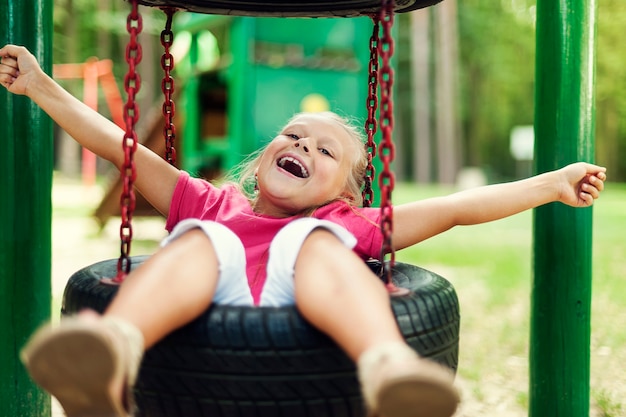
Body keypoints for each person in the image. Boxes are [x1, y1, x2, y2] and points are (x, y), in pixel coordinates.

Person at [0, 44, 607, 417]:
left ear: (345, 191)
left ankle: (389, 371)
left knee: (308, 242)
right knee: (206, 239)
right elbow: (121, 147)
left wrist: (550, 184)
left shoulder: (345, 222)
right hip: (211, 292)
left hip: (309, 293)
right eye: (292, 135)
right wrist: (38, 85)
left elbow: (454, 206)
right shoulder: (211, 202)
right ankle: (108, 354)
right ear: (265, 155)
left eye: (324, 149)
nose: (300, 145)